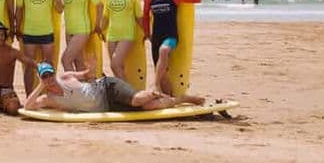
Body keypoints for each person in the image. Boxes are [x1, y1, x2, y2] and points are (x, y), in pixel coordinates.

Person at [23, 62, 205, 113]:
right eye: (44, 76)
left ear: (54, 73)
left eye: (50, 74)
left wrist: (91, 69)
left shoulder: (65, 76)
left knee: (138, 100)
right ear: (40, 77)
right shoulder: (49, 99)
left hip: (106, 87)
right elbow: (28, 107)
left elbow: (86, 75)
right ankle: (183, 99)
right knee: (150, 106)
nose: (49, 79)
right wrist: (40, 85)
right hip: (108, 107)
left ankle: (154, 91)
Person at [142, 0, 202, 95]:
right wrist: (147, 33)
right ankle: (170, 97)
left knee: (163, 51)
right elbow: (146, 16)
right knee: (162, 73)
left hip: (171, 36)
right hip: (156, 37)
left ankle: (155, 85)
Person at [15, 0, 63, 95]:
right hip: (29, 31)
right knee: (29, 67)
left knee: (48, 66)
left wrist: (58, 0)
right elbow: (19, 8)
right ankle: (30, 96)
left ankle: (50, 95)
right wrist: (17, 27)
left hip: (46, 31)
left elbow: (59, 10)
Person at [100, 0, 143, 83]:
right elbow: (105, 16)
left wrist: (147, 32)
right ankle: (124, 94)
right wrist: (100, 30)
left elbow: (138, 16)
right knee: (117, 66)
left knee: (115, 64)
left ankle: (129, 94)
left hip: (127, 33)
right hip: (111, 34)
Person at [61, 0, 104, 71]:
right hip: (69, 30)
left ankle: (72, 88)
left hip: (82, 29)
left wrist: (97, 24)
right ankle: (84, 87)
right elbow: (60, 9)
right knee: (78, 62)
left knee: (65, 60)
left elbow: (100, 5)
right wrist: (56, 0)